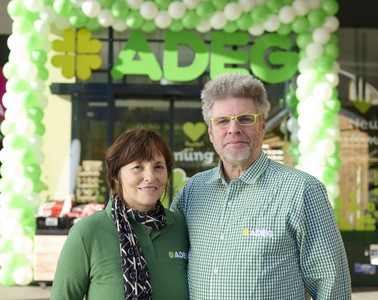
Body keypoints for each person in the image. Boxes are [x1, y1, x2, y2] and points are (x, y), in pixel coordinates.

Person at [171, 73, 351, 299]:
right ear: (210, 131)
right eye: (222, 121)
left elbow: (331, 285)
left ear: (262, 125)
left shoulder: (302, 190)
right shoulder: (192, 191)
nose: (234, 129)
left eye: (245, 119)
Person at [51, 128, 189, 300]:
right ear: (117, 174)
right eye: (138, 167)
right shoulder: (87, 233)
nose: (150, 176)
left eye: (158, 167)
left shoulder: (182, 227)